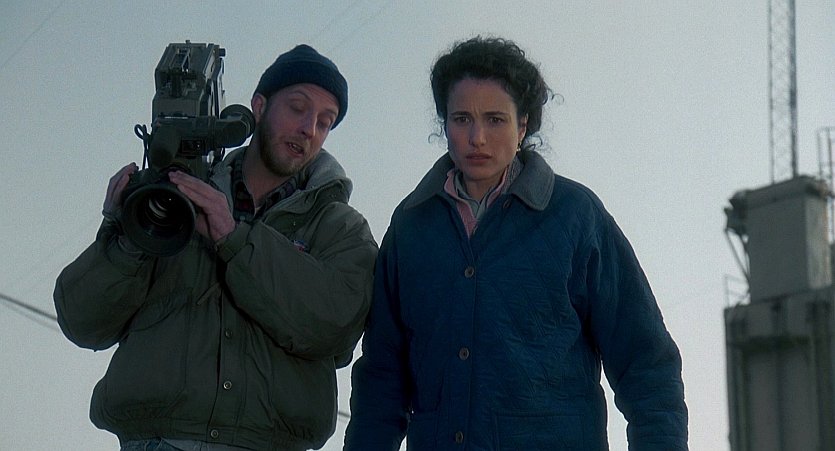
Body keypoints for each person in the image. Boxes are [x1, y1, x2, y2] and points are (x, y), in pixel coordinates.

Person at [344, 36, 688, 450]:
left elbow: (646, 363)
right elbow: (382, 379)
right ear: (444, 124)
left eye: (495, 119)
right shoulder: (411, 226)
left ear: (522, 125)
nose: (477, 137)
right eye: (461, 118)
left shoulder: (575, 216)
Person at [54, 44, 378, 451]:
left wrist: (234, 238)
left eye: (325, 122)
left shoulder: (341, 227)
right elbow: (83, 321)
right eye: (297, 108)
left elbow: (335, 325)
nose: (309, 128)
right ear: (259, 107)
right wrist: (127, 237)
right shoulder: (174, 196)